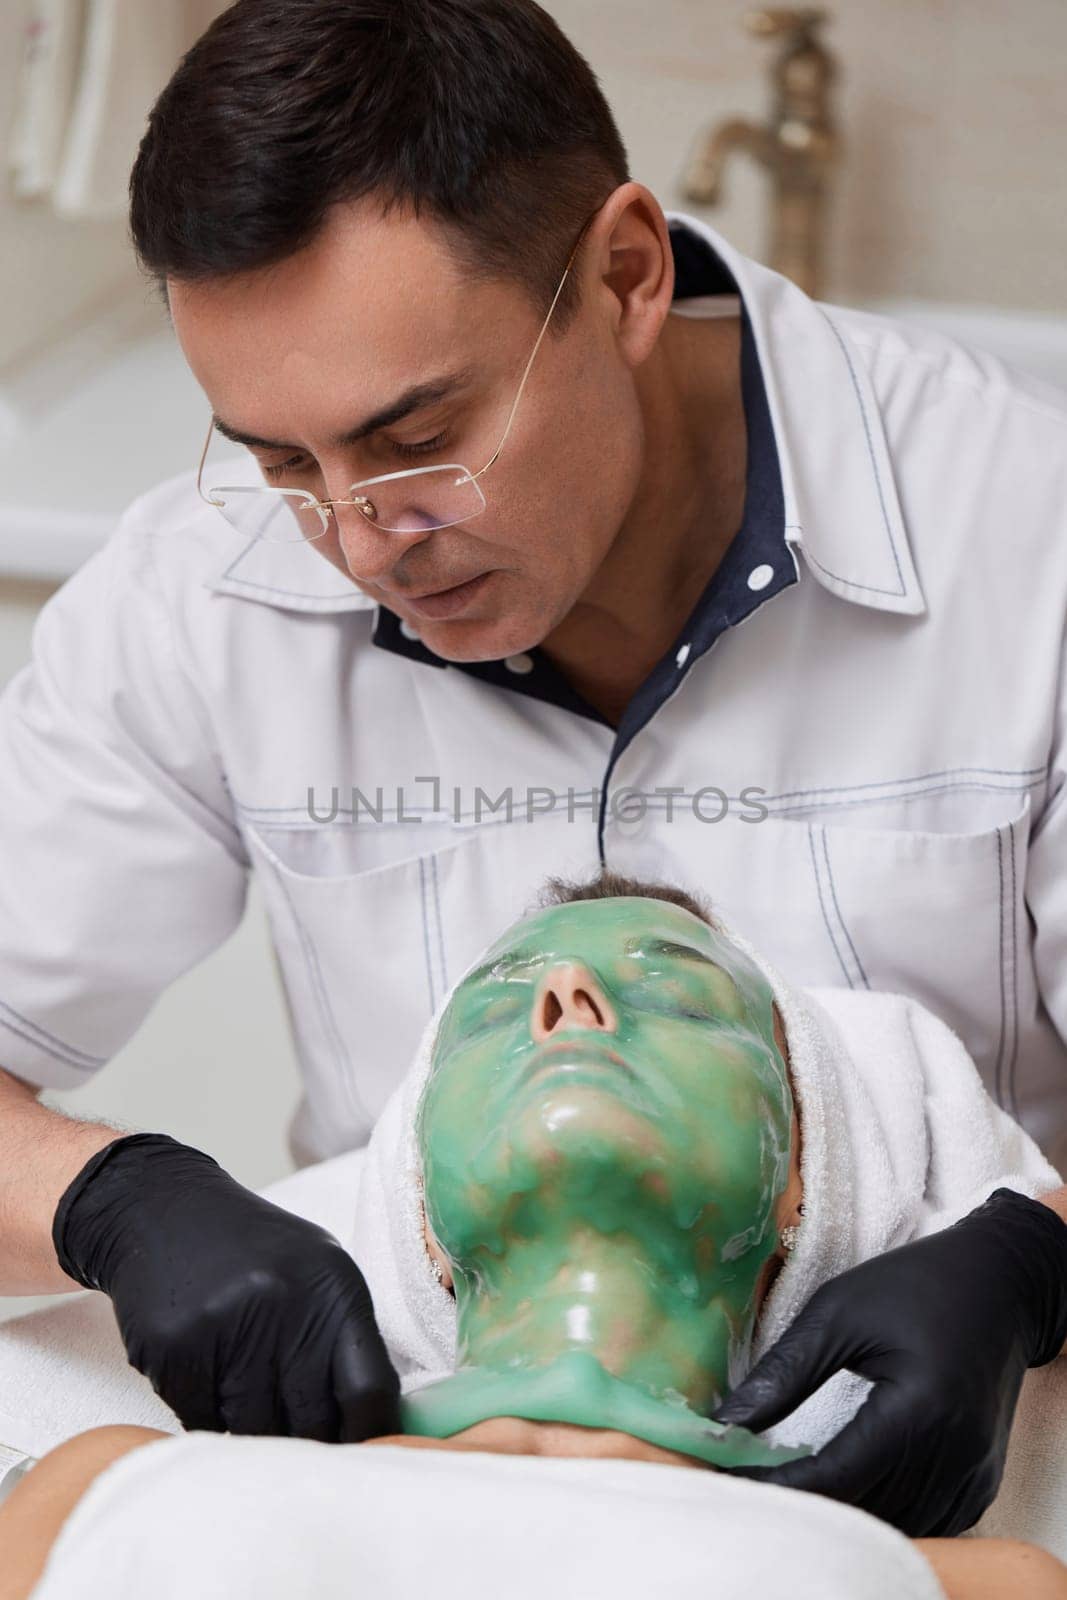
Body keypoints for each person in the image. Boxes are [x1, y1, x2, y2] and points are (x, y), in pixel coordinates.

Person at [1, 0, 1066, 1539]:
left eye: (416, 435)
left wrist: (1030, 1268)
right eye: (281, 462)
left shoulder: (1027, 552)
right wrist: (107, 1202)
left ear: (627, 273)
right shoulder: (201, 594)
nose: (360, 542)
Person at [1, 873, 1066, 1600]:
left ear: (806, 1178)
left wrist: (1031, 1257)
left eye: (681, 999)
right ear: (416, 1207)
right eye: (487, 1015)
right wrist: (109, 1191)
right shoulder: (100, 1486)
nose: (565, 993)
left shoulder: (980, 1584)